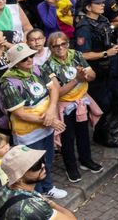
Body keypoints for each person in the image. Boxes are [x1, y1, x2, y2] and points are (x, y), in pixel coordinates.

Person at [0, 42, 67, 199]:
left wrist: (51, 111)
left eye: (31, 56)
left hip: (46, 127)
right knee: (32, 166)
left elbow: (53, 89)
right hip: (28, 133)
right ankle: (36, 195)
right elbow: (20, 114)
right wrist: (49, 120)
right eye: (24, 59)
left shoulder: (37, 68)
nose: (29, 60)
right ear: (16, 64)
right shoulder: (8, 83)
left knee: (47, 159)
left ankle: (47, 187)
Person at [41, 31, 104, 184]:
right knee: (67, 138)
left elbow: (93, 75)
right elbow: (57, 92)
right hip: (65, 106)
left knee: (83, 133)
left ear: (68, 43)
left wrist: (86, 75)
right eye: (55, 46)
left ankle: (86, 160)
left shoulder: (76, 55)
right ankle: (71, 167)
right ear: (50, 48)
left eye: (63, 44)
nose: (60, 48)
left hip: (82, 101)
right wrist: (77, 79)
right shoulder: (47, 66)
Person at [73, 0, 118, 148]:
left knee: (114, 102)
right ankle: (101, 136)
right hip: (96, 72)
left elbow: (108, 40)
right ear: (88, 7)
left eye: (103, 3)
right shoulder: (84, 27)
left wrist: (115, 47)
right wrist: (106, 53)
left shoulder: (103, 20)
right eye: (98, 3)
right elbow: (83, 54)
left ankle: (108, 129)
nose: (102, 5)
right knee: (101, 105)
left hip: (111, 69)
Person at [0, 146, 77, 220]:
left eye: (41, 160)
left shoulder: (4, 189)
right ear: (19, 178)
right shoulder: (33, 206)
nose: (43, 165)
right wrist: (53, 204)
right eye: (36, 166)